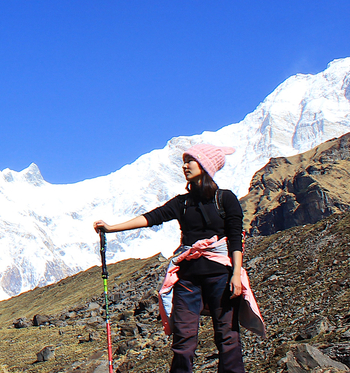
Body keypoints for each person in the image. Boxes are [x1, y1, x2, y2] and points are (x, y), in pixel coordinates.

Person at [92, 144, 248, 373]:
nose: (185, 166)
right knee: (183, 342)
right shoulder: (182, 203)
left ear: (204, 165)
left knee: (228, 338)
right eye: (184, 162)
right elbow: (152, 217)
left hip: (221, 277)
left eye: (190, 161)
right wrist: (112, 228)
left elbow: (235, 237)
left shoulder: (225, 199)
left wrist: (236, 274)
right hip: (187, 280)